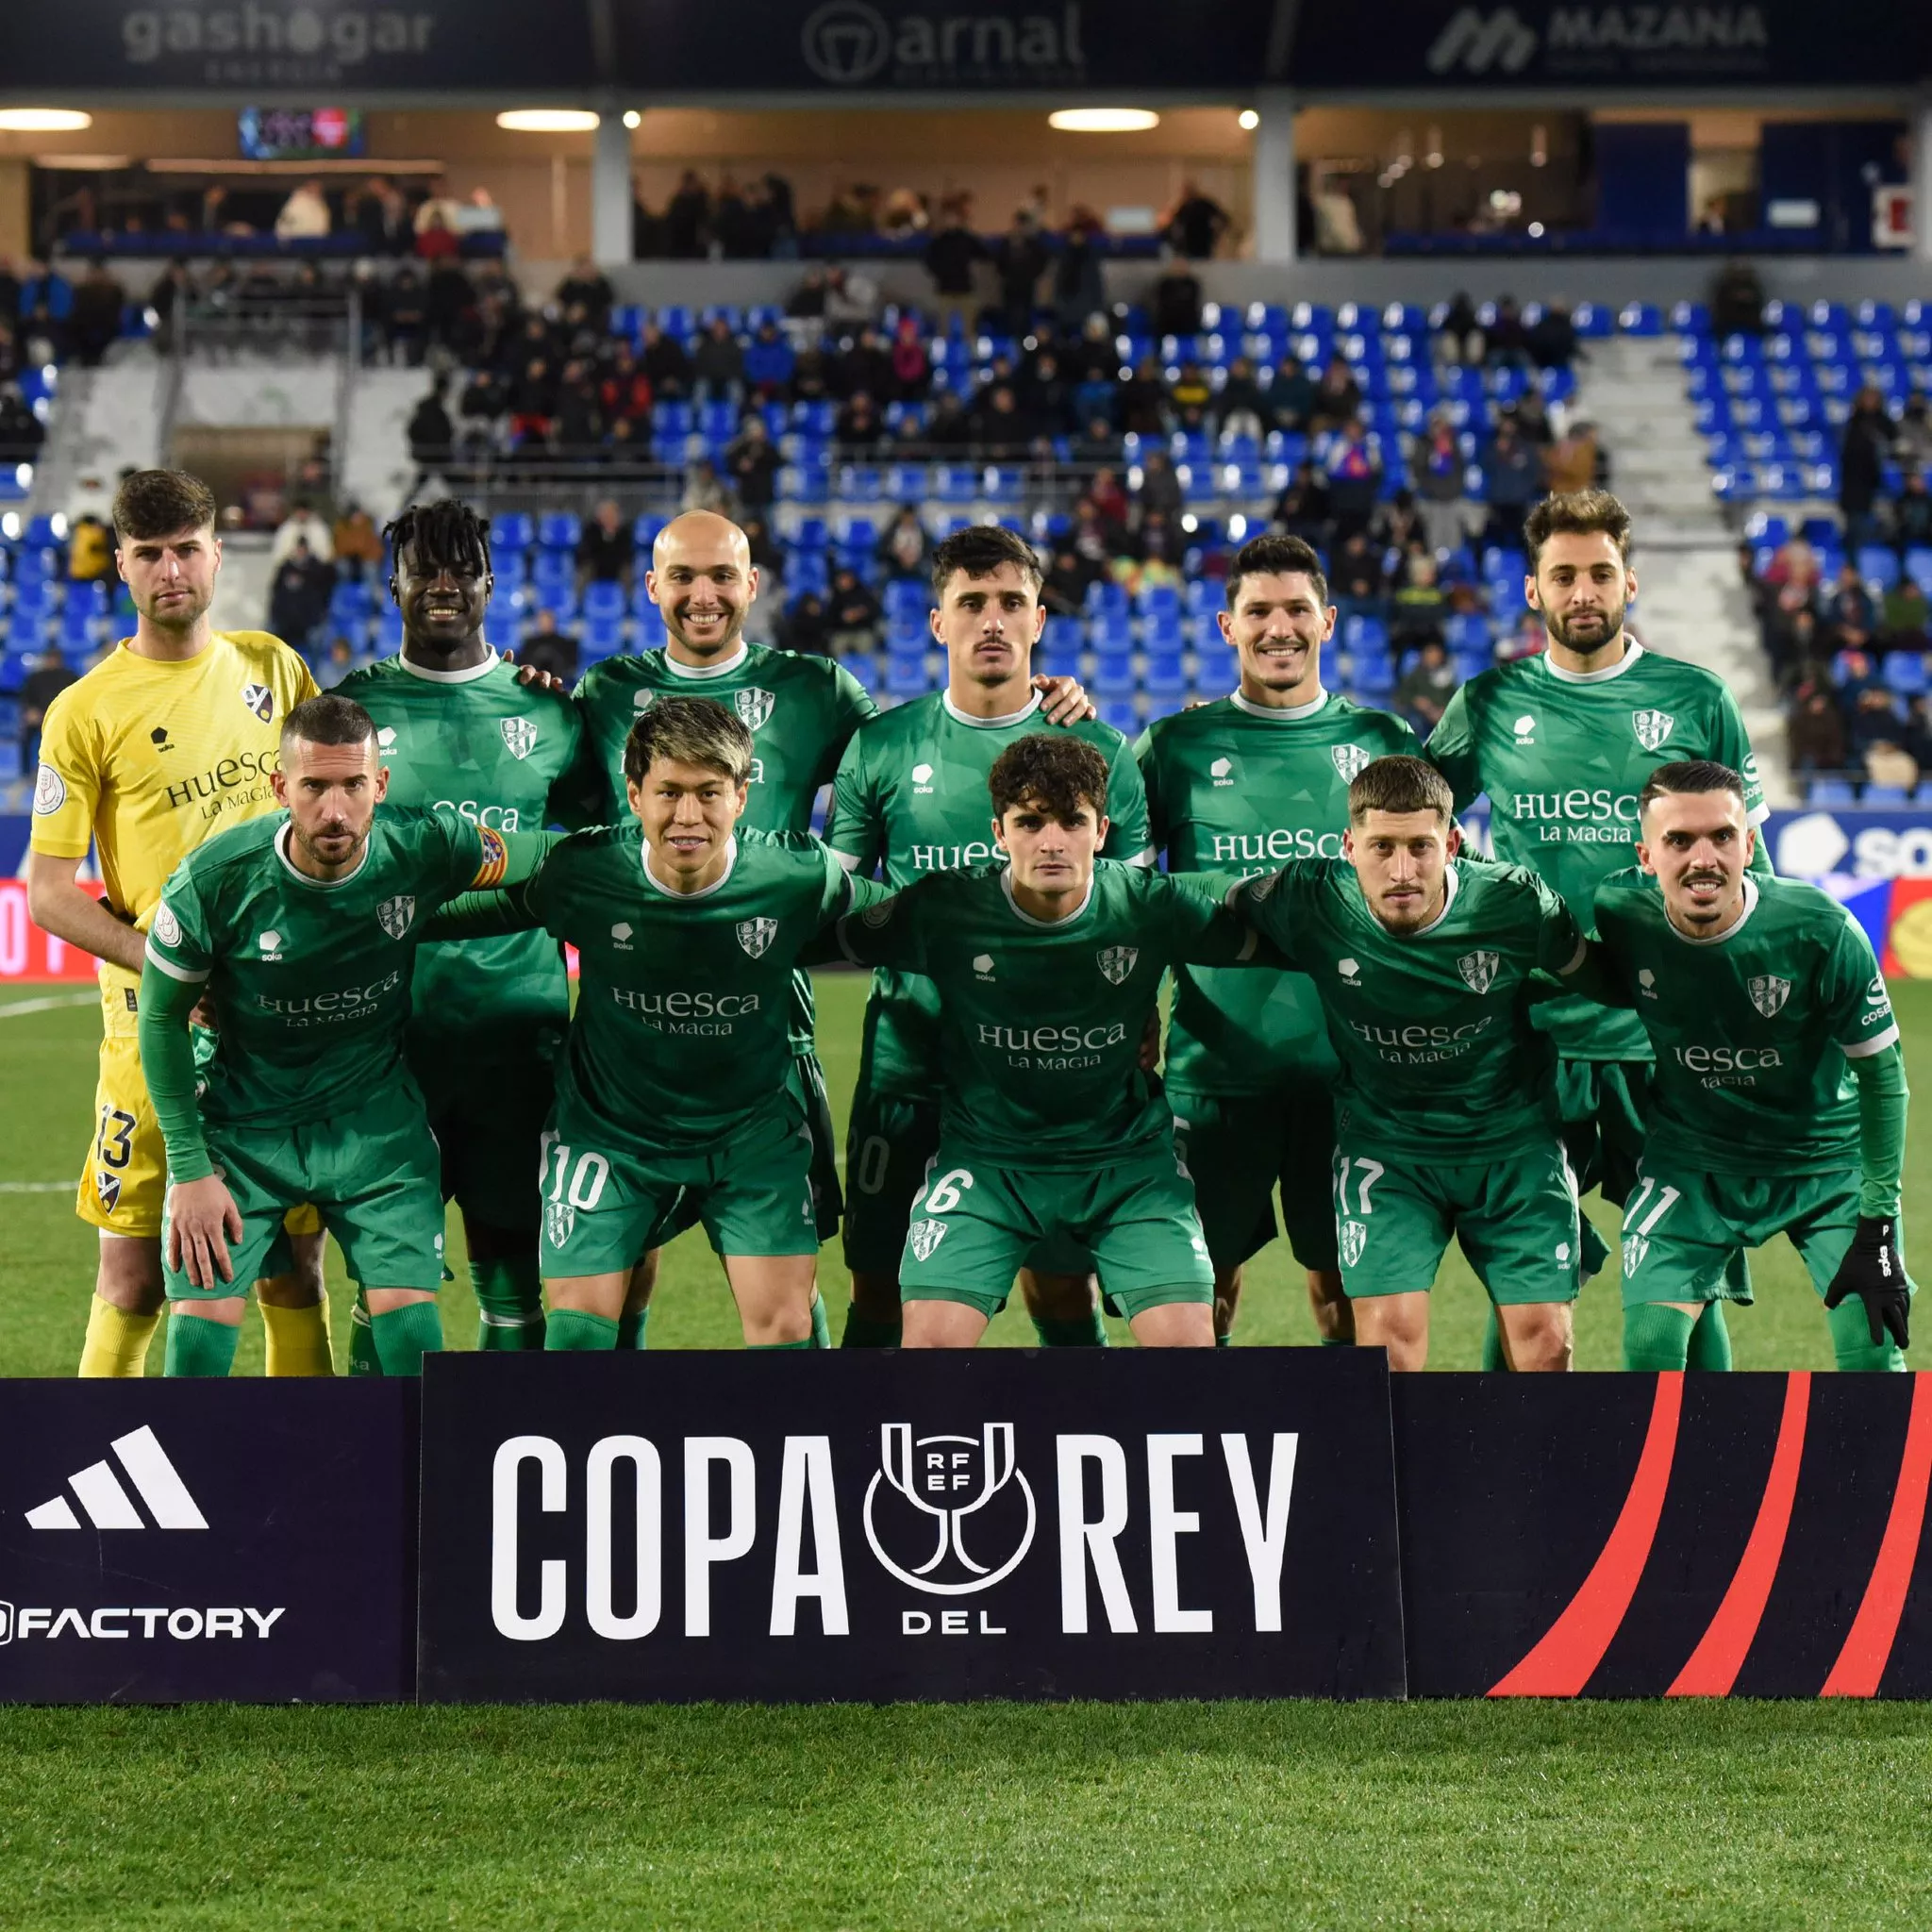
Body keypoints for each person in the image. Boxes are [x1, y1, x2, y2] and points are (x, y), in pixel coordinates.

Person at [1425, 488, 1768, 1367]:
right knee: (1529, 1285)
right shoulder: (1491, 701)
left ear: (1630, 583)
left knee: (1686, 1282)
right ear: (1533, 591)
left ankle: (1705, 1473)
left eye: (1601, 574)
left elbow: (1753, 870)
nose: (1584, 591)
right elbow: (1411, 826)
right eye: (1564, 574)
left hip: (1671, 1038)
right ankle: (1510, 1476)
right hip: (1532, 1034)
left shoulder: (1695, 698)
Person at [425, 698, 873, 1350]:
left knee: (786, 1331)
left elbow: (908, 922)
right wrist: (349, 918)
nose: (687, 815)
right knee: (576, 1337)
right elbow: (467, 911)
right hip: (612, 1135)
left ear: (742, 796)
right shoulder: (586, 870)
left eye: (708, 793)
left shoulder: (797, 873)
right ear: (634, 794)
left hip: (750, 1136)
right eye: (668, 792)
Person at [138, 694, 545, 1376]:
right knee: (199, 1341)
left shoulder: (425, 843)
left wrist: (650, 859)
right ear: (280, 788)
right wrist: (189, 1168)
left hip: (373, 1126)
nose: (335, 810)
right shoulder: (215, 881)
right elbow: (158, 1017)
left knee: (413, 1333)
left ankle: (419, 1481)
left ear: (379, 785)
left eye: (354, 785)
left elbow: (542, 857)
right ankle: (202, 1479)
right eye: (314, 787)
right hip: (244, 1127)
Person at [25, 469, 330, 1379]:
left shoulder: (274, 667)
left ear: (216, 554)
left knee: (291, 1263)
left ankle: (312, 1485)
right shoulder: (85, 711)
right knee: (132, 1274)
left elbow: (329, 813)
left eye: (186, 550)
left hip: (281, 1013)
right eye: (149, 554)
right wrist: (167, 970)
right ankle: (105, 1503)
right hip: (157, 1024)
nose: (170, 571)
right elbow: (45, 890)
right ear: (120, 564)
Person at [837, 734, 1272, 1349]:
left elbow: (1278, 926)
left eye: (1072, 821)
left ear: (1100, 831)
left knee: (1188, 1356)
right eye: (1030, 821)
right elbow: (820, 930)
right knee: (927, 1355)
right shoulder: (947, 906)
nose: (1051, 841)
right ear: (998, 831)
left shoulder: (1149, 906)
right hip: (986, 1165)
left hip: (1126, 1164)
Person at [827, 524, 1144, 1349]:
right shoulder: (883, 746)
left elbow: (1141, 919)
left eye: (1012, 602)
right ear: (939, 623)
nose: (992, 620)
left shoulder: (1101, 751)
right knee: (880, 1286)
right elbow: (837, 903)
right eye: (971, 603)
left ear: (1040, 619)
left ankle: (1084, 1463)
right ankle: (867, 1453)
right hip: (912, 1064)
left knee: (1061, 1290)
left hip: (1054, 1077)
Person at [1231, 756, 1603, 1370]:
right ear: (1349, 845)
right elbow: (1199, 906)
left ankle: (1523, 1466)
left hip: (1512, 1145)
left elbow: (1599, 977)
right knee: (1387, 1347)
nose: (1401, 870)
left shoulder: (1515, 904)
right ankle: (1403, 1469)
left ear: (1452, 844)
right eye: (1381, 847)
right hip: (1388, 1149)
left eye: (1420, 848)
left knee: (1545, 1343)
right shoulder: (1308, 896)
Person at [1136, 533, 1415, 1344]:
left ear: (1328, 622)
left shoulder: (1383, 739)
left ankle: (1351, 1456)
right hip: (1213, 1074)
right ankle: (1208, 1454)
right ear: (1228, 626)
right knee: (1199, 1292)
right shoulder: (1174, 748)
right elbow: (1126, 893)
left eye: (1297, 609)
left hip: (1351, 1074)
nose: (1279, 628)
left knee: (1343, 1292)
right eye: (1259, 611)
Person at [331, 501, 591, 1361]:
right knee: (386, 1280)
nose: (442, 583)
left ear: (490, 581)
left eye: (460, 567)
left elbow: (597, 856)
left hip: (518, 1039)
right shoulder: (349, 712)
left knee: (513, 1278)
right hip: (385, 1044)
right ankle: (372, 1476)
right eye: (423, 568)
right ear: (393, 581)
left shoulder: (551, 714)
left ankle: (491, 1472)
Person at [1590, 760, 1910, 1373]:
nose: (1703, 858)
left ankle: (1875, 1472)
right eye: (1679, 840)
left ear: (1750, 843)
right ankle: (1692, 1470)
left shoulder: (1821, 928)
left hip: (1824, 1163)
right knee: (1651, 1342)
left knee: (1871, 1345)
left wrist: (1879, 1224)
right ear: (1647, 855)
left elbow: (1883, 1079)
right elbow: (1587, 976)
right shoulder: (1621, 910)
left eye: (1722, 837)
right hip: (1692, 1162)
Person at [266, 537, 334, 650]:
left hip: (308, 621)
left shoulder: (317, 569)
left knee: (316, 638)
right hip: (284, 620)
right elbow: (275, 593)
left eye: (303, 549)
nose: (301, 551)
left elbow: (321, 597)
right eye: (299, 549)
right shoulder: (285, 568)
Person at [19, 645, 75, 770]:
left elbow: (77, 698)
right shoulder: (34, 677)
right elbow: (26, 698)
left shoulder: (70, 676)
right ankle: (26, 770)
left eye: (55, 659)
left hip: (62, 717)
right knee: (25, 733)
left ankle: (68, 768)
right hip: (39, 716)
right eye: (50, 658)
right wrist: (30, 711)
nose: (52, 661)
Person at [1394, 638, 1458, 739]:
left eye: (1437, 653)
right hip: (1422, 716)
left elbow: (1455, 697)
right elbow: (1402, 695)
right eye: (1431, 653)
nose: (1435, 656)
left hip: (1442, 714)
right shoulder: (1416, 675)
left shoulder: (1447, 675)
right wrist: (1417, 701)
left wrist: (1444, 710)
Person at [724, 413, 782, 512]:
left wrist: (763, 453)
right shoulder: (740, 449)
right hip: (746, 497)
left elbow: (778, 461)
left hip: (765, 497)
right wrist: (740, 466)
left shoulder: (769, 449)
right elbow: (729, 465)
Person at [1162, 183, 1230, 259]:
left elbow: (1224, 218)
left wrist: (1217, 234)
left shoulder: (1200, 205)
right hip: (1192, 245)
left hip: (1202, 243)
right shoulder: (1187, 207)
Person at [576, 499, 631, 592]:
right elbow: (586, 552)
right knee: (585, 571)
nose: (608, 518)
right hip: (596, 565)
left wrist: (612, 536)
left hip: (617, 565)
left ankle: (627, 601)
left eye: (611, 515)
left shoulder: (624, 532)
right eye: (605, 515)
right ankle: (580, 601)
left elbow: (626, 553)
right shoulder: (591, 530)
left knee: (627, 572)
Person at [275, 178, 331, 242]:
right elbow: (282, 229)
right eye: (313, 185)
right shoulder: (297, 203)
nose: (317, 188)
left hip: (317, 244)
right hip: (297, 244)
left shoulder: (321, 205)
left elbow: (323, 230)